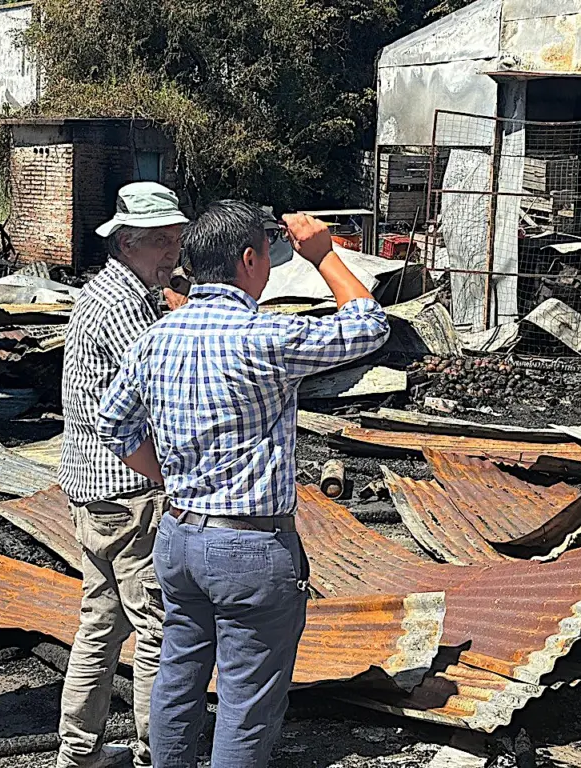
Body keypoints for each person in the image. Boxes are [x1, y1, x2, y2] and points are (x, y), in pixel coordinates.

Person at [98, 202, 390, 767]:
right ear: (250, 259)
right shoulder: (264, 334)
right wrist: (324, 253)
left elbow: (112, 424)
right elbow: (368, 325)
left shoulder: (158, 336)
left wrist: (173, 478)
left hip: (178, 539)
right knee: (245, 702)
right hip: (250, 548)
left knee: (177, 680)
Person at [56, 181, 188, 768]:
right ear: (128, 243)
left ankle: (78, 753)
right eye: (163, 242)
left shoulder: (111, 293)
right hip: (128, 488)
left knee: (100, 623)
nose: (173, 253)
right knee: (156, 629)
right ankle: (156, 752)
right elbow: (160, 385)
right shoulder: (123, 306)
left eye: (176, 240)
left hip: (94, 490)